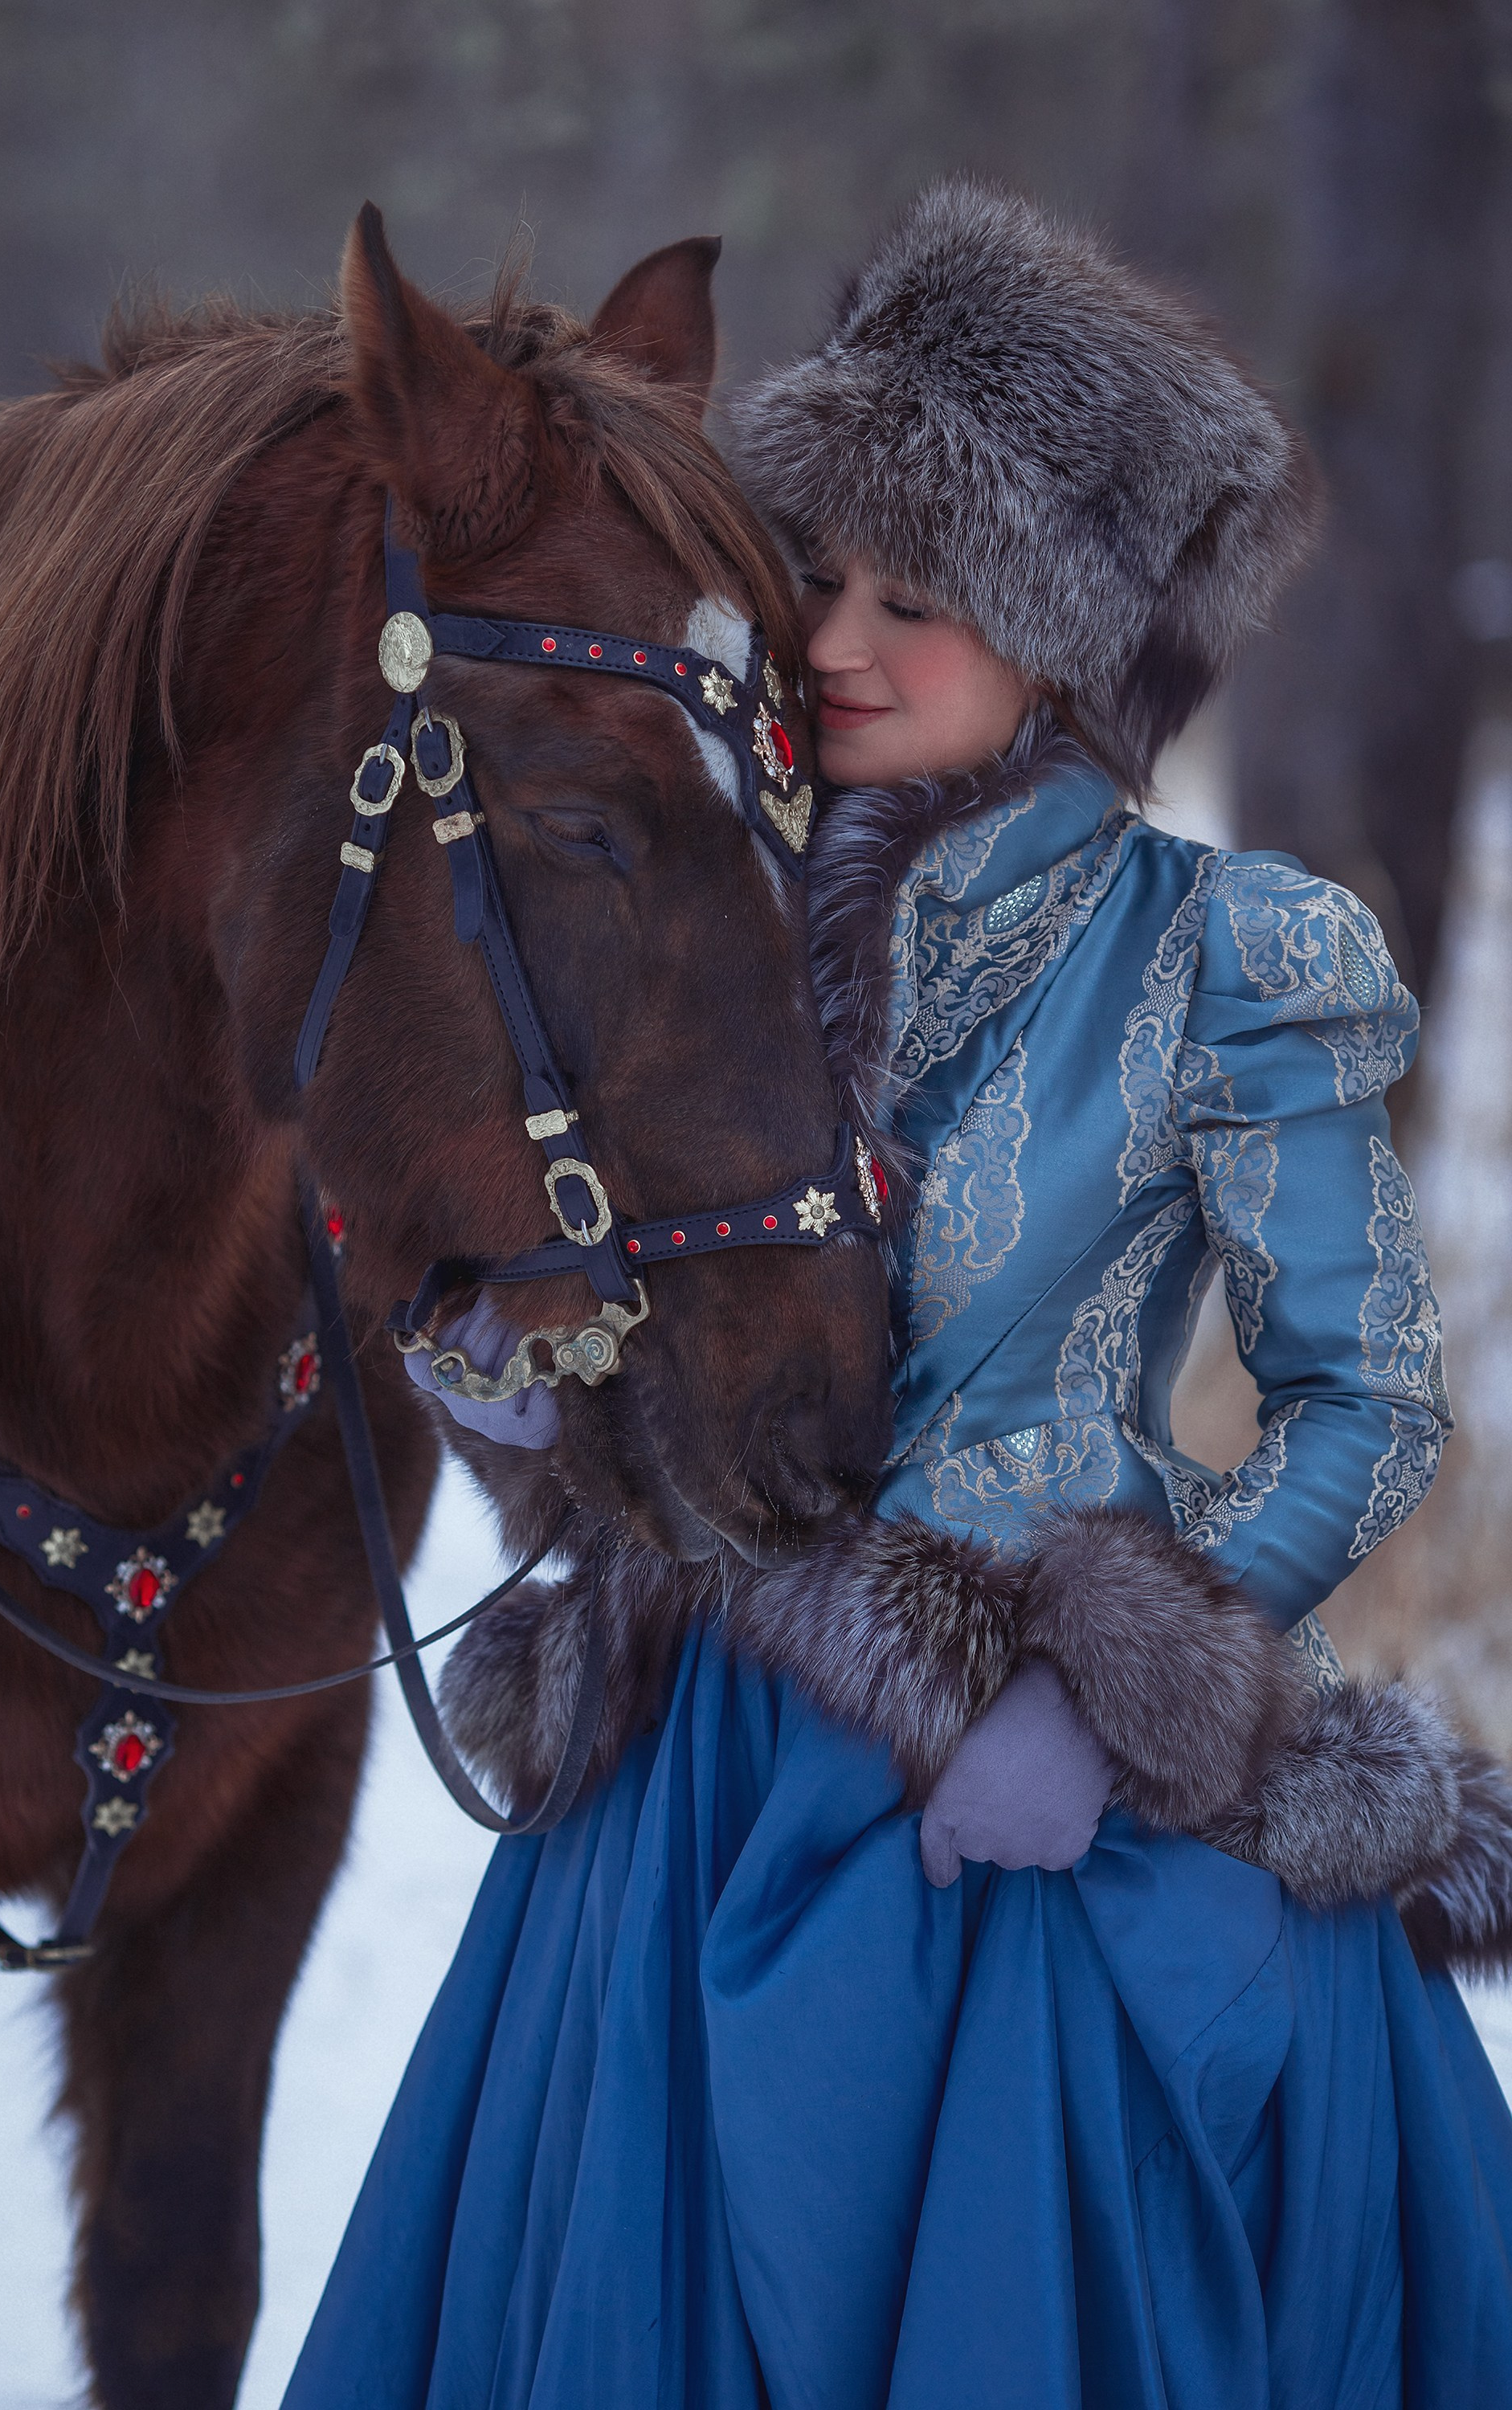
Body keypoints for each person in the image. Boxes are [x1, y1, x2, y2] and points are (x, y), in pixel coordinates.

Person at [285, 182, 1512, 2410]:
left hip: (1041, 1817)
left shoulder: (1221, 949)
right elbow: (648, 1342)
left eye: (915, 596)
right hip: (695, 1789)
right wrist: (516, 1385)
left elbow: (1367, 1410)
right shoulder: (691, 895)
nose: (836, 637)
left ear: (1055, 640)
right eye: (818, 574)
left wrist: (1133, 1693)